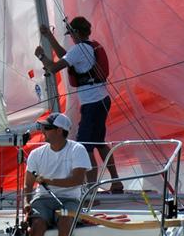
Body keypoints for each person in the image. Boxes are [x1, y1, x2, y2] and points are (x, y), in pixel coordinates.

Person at [35, 16, 124, 192]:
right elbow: (64, 55)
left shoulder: (79, 49)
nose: (71, 37)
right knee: (99, 143)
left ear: (76, 33)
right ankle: (116, 182)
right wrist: (49, 36)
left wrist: (41, 56)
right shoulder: (87, 47)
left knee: (84, 147)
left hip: (92, 103)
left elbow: (53, 68)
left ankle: (90, 190)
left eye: (71, 34)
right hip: (100, 100)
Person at [24, 112, 91, 236]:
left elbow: (78, 180)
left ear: (59, 131)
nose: (43, 131)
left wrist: (48, 181)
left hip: (70, 199)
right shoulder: (36, 154)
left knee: (65, 223)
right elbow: (28, 184)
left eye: (47, 128)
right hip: (42, 199)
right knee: (37, 225)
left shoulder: (77, 149)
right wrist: (26, 203)